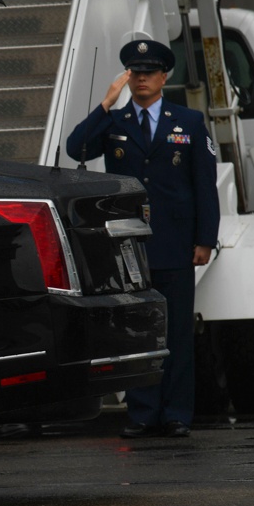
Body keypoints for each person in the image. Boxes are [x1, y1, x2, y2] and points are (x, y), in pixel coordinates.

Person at [66, 39, 219, 439]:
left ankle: (177, 414)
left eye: (149, 72)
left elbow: (205, 186)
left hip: (175, 241)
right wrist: (106, 102)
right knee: (136, 331)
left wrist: (206, 239)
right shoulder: (115, 123)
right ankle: (143, 413)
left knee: (176, 331)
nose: (141, 79)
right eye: (134, 73)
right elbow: (75, 147)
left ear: (164, 76)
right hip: (128, 246)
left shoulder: (188, 121)